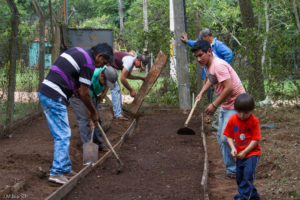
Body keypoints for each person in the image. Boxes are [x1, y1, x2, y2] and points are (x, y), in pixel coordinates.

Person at [38, 43, 113, 185]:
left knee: (62, 133)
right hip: (54, 94)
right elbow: (85, 92)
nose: (100, 66)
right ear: (99, 56)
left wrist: (85, 104)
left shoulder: (79, 51)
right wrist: (93, 113)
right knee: (63, 134)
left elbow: (77, 88)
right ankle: (57, 172)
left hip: (48, 91)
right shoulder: (89, 63)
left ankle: (65, 168)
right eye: (103, 63)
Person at [192, 40, 245, 178]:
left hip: (236, 104)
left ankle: (238, 170)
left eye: (200, 55)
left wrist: (214, 105)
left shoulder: (218, 65)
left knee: (226, 137)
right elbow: (211, 79)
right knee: (222, 137)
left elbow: (229, 88)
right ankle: (233, 170)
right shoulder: (208, 65)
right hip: (227, 104)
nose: (198, 59)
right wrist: (202, 92)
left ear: (209, 51)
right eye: (196, 56)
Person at [182, 28, 234, 132]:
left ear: (206, 37)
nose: (199, 58)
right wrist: (187, 41)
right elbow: (197, 46)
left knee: (218, 102)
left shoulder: (218, 48)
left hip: (222, 81)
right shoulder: (206, 52)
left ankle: (217, 128)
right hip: (211, 78)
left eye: (200, 55)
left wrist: (224, 69)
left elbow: (229, 54)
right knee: (213, 99)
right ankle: (218, 127)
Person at [70, 66, 118, 152]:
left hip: (91, 94)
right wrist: (91, 118)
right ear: (101, 76)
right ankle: (87, 148)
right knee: (85, 120)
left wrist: (103, 94)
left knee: (97, 119)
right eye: (105, 83)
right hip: (78, 95)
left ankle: (99, 144)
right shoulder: (90, 77)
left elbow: (107, 84)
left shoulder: (108, 72)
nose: (106, 85)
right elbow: (86, 100)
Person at [224, 93, 261, 200]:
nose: (242, 116)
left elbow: (256, 140)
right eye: (239, 112)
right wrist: (233, 148)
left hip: (251, 154)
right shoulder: (232, 120)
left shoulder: (254, 121)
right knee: (240, 178)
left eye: (245, 113)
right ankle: (253, 196)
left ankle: (244, 197)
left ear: (251, 110)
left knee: (248, 175)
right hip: (239, 154)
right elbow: (229, 136)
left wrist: (245, 151)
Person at [110, 51, 150, 120]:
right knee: (115, 89)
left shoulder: (131, 63)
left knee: (117, 89)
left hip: (111, 66)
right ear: (137, 60)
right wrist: (131, 90)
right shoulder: (129, 61)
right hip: (106, 64)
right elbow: (122, 78)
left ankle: (119, 112)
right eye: (140, 64)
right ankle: (118, 114)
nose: (139, 67)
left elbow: (127, 75)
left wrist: (140, 78)